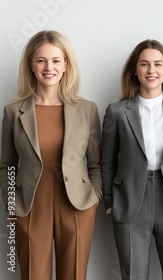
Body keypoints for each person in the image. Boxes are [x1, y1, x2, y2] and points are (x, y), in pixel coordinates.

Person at [0, 30, 101, 280]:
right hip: (30, 207)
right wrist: (12, 205)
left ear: (66, 64)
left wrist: (94, 200)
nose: (49, 67)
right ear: (31, 65)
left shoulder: (86, 110)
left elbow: (96, 165)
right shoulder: (14, 112)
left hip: (77, 206)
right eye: (41, 60)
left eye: (56, 60)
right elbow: (6, 165)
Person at [101, 39, 163, 280]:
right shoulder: (116, 112)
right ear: (135, 70)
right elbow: (107, 161)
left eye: (158, 64)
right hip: (130, 203)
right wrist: (109, 201)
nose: (151, 70)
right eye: (144, 64)